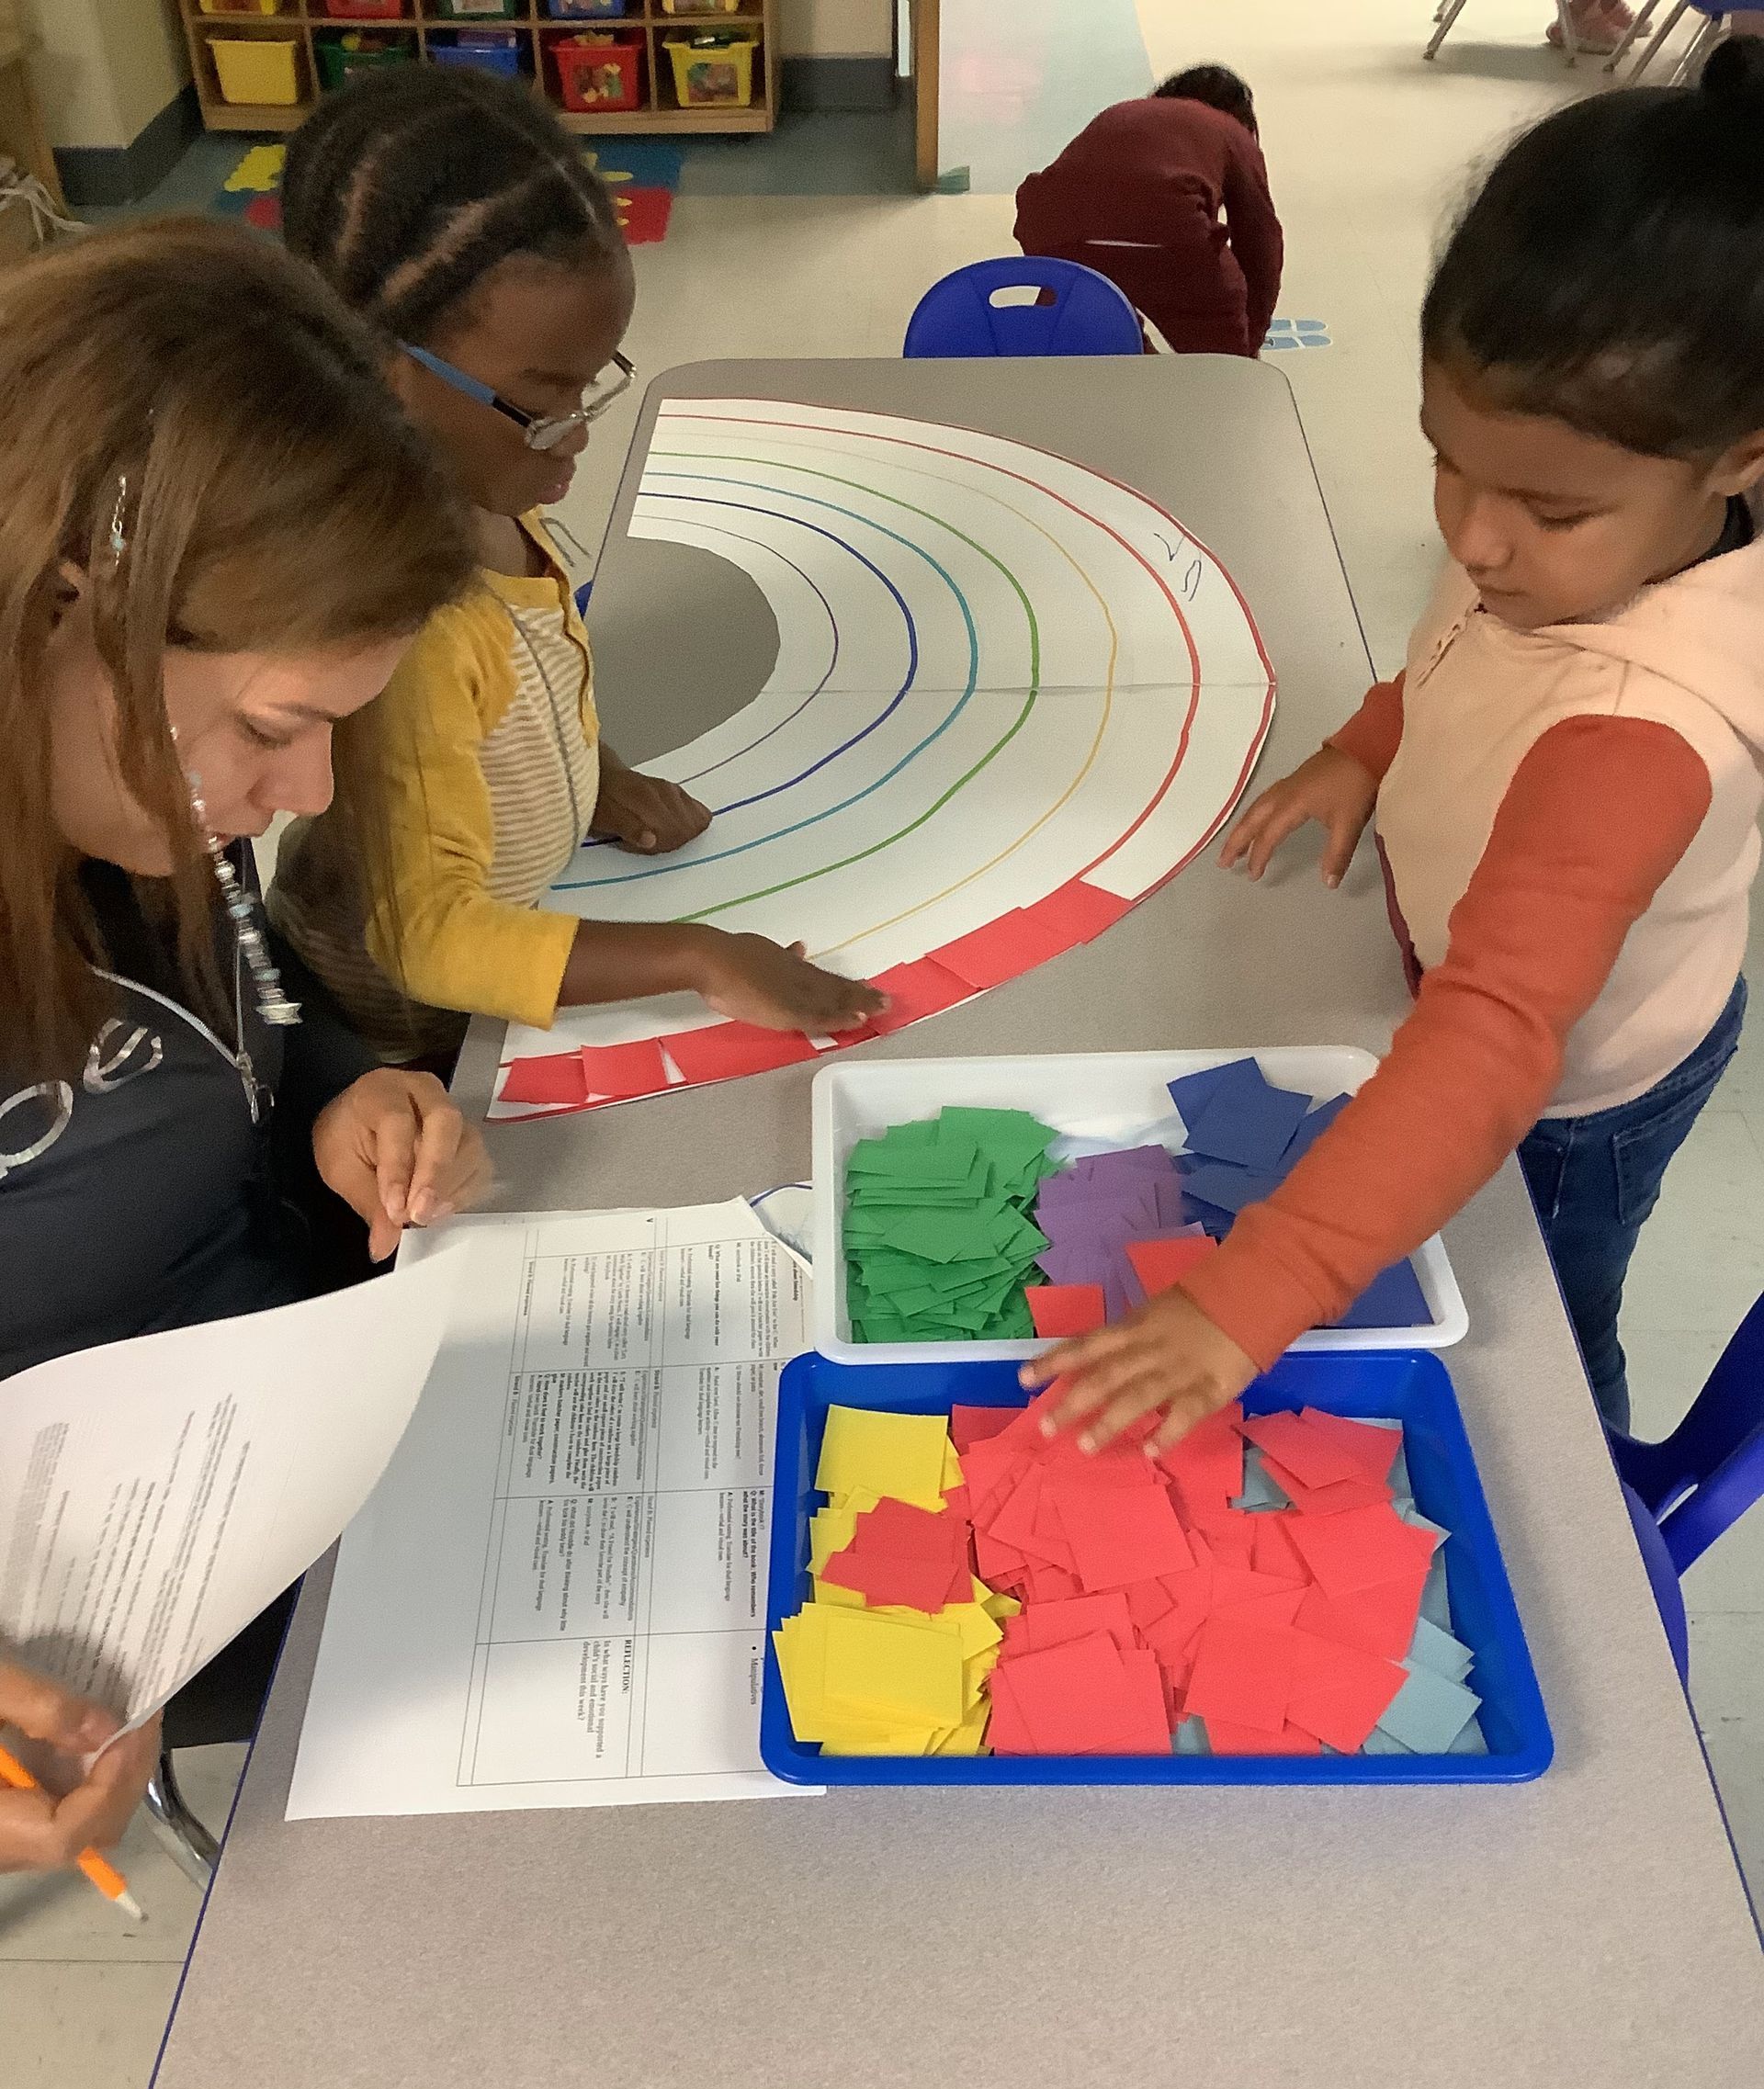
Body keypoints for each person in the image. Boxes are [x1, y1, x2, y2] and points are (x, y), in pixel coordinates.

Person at [1031, 39, 1764, 1451]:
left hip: (1574, 1091)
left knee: (1543, 1323)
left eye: (1547, 512)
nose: (1473, 537)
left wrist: (1254, 1293)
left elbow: (1491, 1047)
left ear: (1739, 456)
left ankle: (1587, 1483)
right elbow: (1453, 654)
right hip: (1480, 965)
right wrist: (1369, 746)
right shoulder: (1557, 551)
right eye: (1444, 460)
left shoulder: (1635, 740)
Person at [0, 218, 492, 1873]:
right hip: (117, 1591)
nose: (307, 800)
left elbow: (258, 1012)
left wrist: (357, 1089)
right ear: (60, 618)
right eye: (274, 732)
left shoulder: (125, 807)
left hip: (303, 1427)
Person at [268, 69, 883, 1070]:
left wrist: (599, 779)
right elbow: (431, 939)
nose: (578, 437)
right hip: (414, 1033)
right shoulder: (407, 631)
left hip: (523, 928)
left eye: (594, 382)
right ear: (382, 364)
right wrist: (697, 955)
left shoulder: (484, 489)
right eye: (544, 397)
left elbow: (525, 693)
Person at [1012, 66, 1282, 360]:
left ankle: (1117, 356)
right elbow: (1260, 240)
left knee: (1082, 317)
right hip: (1171, 235)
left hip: (1053, 228)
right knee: (1219, 364)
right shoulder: (1231, 130)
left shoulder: (1123, 112)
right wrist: (1248, 340)